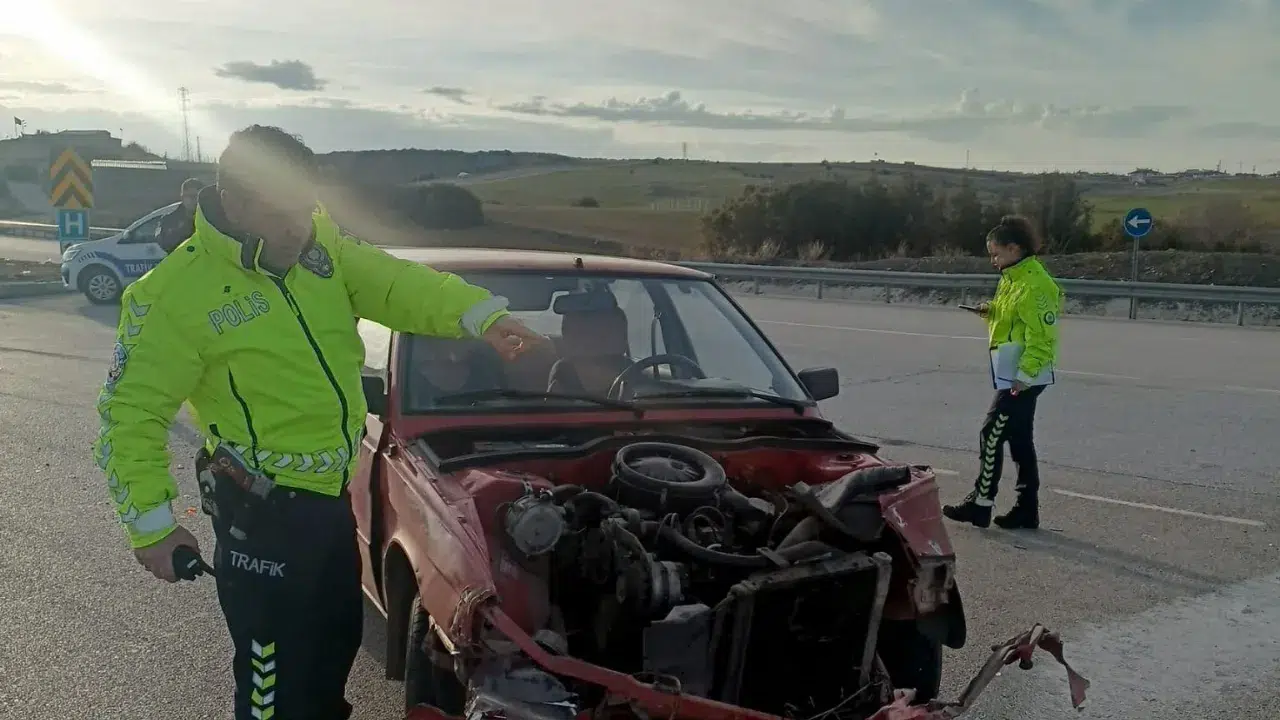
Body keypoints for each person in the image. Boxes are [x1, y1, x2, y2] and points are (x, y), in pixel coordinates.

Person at [92, 124, 546, 720]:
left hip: (332, 507)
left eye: (305, 208)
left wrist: (480, 316)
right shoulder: (174, 295)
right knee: (273, 689)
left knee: (331, 655)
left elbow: (394, 283)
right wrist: (152, 527)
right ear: (234, 202)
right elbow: (130, 415)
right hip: (261, 519)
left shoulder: (318, 248)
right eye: (281, 213)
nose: (297, 227)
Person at [942, 215, 1063, 531]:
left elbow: (1043, 338)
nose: (993, 261)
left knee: (991, 431)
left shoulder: (1037, 285)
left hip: (1025, 376)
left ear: (1014, 248)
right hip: (1011, 368)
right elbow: (1012, 322)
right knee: (1021, 440)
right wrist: (990, 311)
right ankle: (1027, 510)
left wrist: (1025, 376)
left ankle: (980, 503)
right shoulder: (1012, 278)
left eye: (996, 254)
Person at [154, 177, 203, 253]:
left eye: (197, 196)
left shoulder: (211, 218)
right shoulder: (169, 219)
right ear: (182, 197)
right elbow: (165, 243)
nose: (194, 200)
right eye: (190, 196)